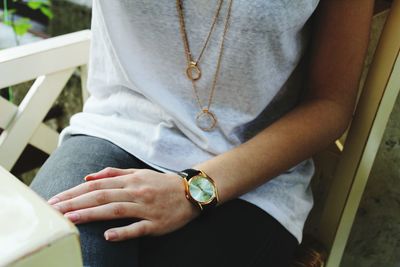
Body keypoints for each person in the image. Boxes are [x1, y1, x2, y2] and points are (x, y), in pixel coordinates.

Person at [30, 0, 374, 266]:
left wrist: (193, 189)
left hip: (252, 178)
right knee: (48, 254)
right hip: (115, 132)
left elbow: (329, 104)